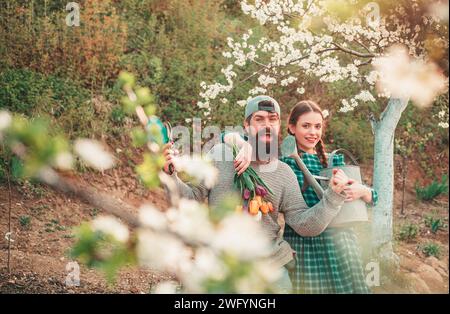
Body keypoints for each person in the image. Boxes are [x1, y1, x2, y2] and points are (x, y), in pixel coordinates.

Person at [162, 95, 351, 293]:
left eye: (272, 119)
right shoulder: (219, 156)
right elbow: (190, 198)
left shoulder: (284, 172)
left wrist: (333, 197)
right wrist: (170, 176)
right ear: (246, 125)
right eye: (259, 119)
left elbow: (304, 224)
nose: (267, 125)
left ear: (279, 125)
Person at [223, 99, 378, 293]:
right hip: (305, 245)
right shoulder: (279, 162)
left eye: (317, 126)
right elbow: (227, 136)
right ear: (291, 127)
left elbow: (373, 198)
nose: (312, 132)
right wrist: (240, 143)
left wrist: (363, 191)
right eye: (306, 126)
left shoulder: (333, 160)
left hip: (340, 241)